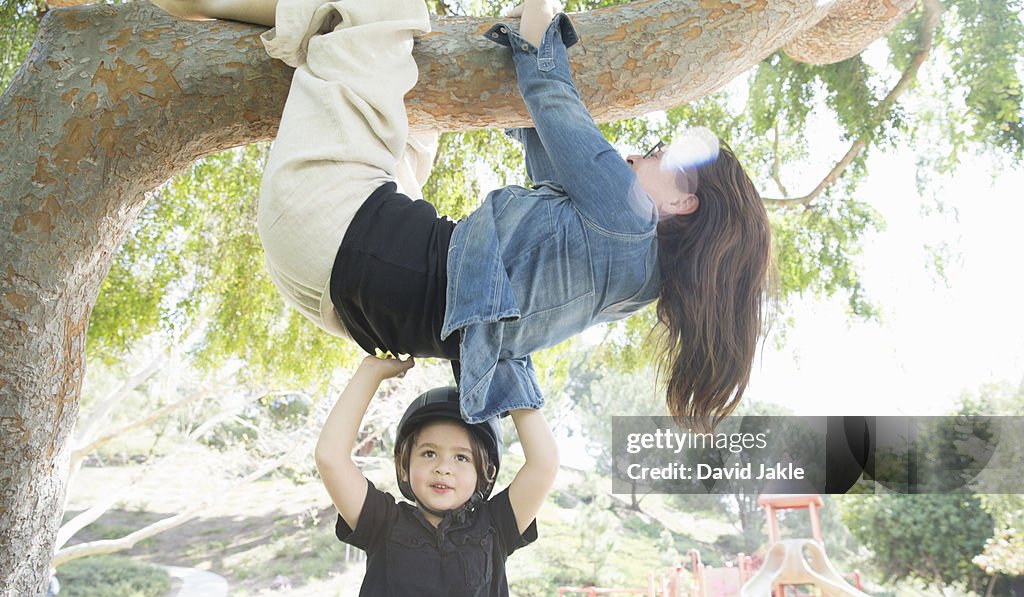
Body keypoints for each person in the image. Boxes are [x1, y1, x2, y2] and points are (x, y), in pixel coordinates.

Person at [153, 0, 773, 429]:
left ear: (680, 202)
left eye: (662, 155)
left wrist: (537, 21)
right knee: (417, 116)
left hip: (342, 233)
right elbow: (543, 143)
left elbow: (551, 95)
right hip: (345, 298)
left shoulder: (630, 214)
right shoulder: (632, 280)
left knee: (384, 8)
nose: (642, 151)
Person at [314, 354, 559, 597]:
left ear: (485, 472)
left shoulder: (495, 526)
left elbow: (543, 464)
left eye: (461, 457)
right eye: (429, 453)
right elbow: (330, 458)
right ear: (405, 464)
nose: (443, 467)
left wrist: (510, 378)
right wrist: (370, 374)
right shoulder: (383, 523)